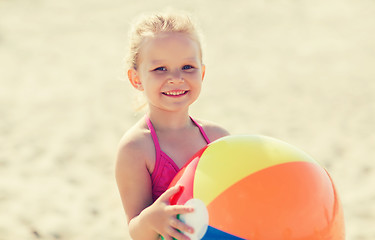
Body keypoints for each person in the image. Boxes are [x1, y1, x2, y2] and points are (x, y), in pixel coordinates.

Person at [115, 11, 229, 240]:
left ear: (202, 72)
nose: (176, 78)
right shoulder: (136, 148)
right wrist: (151, 220)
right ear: (136, 79)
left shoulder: (218, 139)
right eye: (160, 69)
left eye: (188, 67)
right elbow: (136, 230)